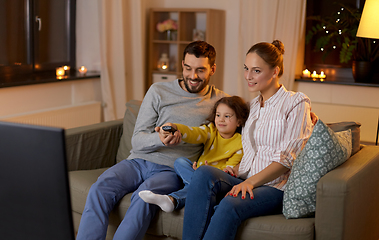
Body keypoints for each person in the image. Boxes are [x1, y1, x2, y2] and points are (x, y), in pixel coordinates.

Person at [76, 41, 228, 240]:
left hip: (171, 169)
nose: (192, 76)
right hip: (138, 161)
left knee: (144, 197)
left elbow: (231, 134)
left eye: (200, 70)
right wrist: (160, 139)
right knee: (99, 188)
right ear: (182, 64)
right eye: (188, 68)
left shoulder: (220, 102)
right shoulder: (158, 91)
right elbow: (137, 141)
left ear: (213, 69)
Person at [181, 40, 315, 240]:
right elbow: (244, 147)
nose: (248, 76)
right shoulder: (250, 107)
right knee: (203, 173)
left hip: (275, 187)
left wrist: (251, 182)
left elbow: (288, 158)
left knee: (230, 202)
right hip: (245, 178)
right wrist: (234, 171)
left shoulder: (296, 102)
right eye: (246, 69)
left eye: (256, 71)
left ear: (274, 71)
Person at [139, 96, 250, 212]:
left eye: (227, 116)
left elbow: (229, 171)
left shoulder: (240, 143)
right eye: (218, 115)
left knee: (201, 181)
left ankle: (173, 199)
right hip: (197, 173)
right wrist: (176, 128)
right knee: (180, 161)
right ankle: (190, 194)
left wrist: (208, 171)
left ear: (239, 121)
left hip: (216, 179)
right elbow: (194, 133)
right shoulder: (210, 131)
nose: (221, 119)